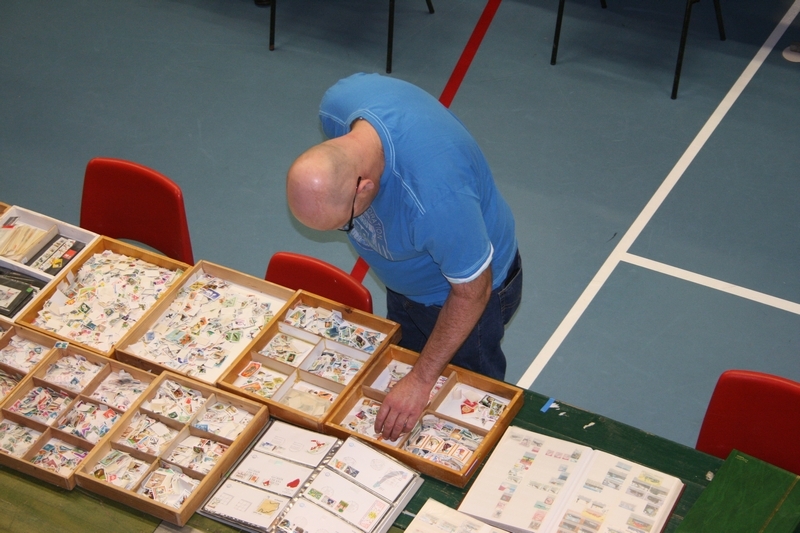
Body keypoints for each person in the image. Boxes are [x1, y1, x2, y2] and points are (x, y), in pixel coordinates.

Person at [286, 72, 522, 441]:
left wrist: (421, 379)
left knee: (467, 408)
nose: (347, 231)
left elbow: (472, 291)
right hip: (410, 283)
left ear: (365, 187)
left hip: (466, 295)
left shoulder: (436, 201)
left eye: (345, 223)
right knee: (406, 366)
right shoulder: (337, 109)